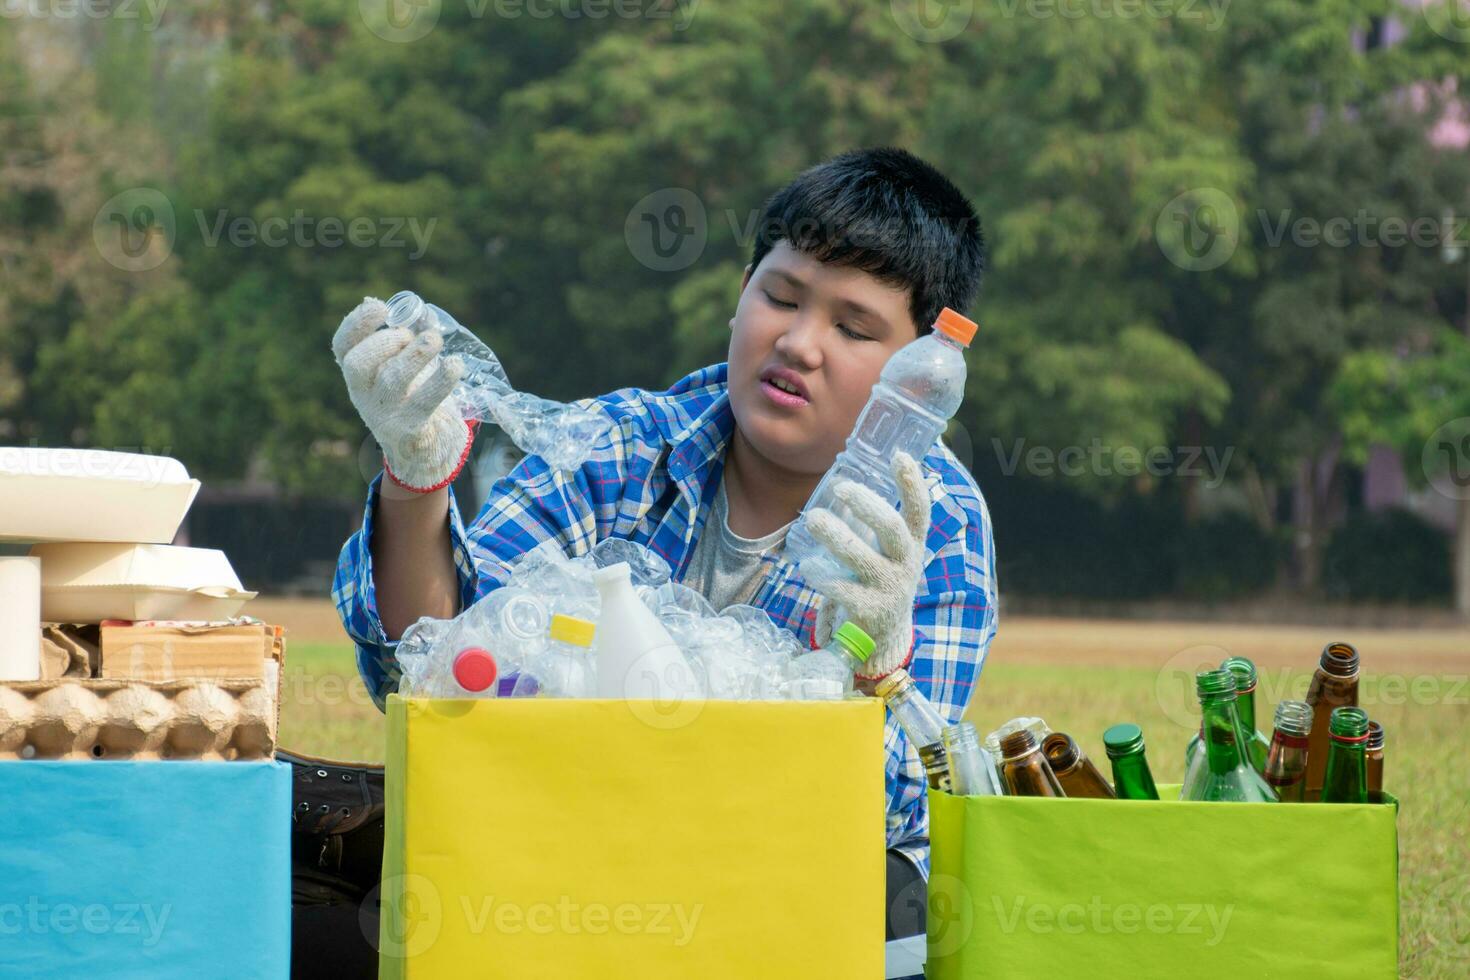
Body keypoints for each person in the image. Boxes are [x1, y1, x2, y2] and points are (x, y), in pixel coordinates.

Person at [331, 146, 997, 945]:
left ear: (915, 377)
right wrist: (418, 479)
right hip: (555, 850)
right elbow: (433, 662)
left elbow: (886, 810)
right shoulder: (620, 447)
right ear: (738, 299)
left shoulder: (934, 532)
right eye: (781, 298)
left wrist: (879, 669)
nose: (799, 344)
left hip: (780, 887)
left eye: (853, 327)